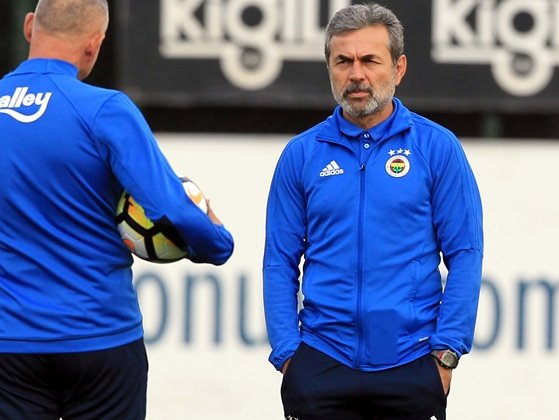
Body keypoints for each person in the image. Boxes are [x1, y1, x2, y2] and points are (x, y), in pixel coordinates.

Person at [0, 0, 234, 419]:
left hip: (9, 344)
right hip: (99, 339)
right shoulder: (105, 109)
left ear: (30, 26)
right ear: (95, 44)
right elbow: (172, 209)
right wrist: (217, 243)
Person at [262, 3, 483, 419]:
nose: (356, 74)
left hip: (412, 362)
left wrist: (446, 354)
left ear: (398, 68)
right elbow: (279, 262)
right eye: (343, 61)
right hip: (321, 362)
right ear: (329, 68)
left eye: (369, 60)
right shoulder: (301, 154)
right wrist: (289, 355)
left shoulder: (437, 148)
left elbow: (466, 254)